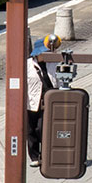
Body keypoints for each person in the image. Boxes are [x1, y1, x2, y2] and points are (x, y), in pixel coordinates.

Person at [25, 35, 60, 167]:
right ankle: (34, 156)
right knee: (30, 130)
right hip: (32, 101)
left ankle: (46, 154)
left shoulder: (54, 63)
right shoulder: (28, 65)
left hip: (49, 101)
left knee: (42, 128)